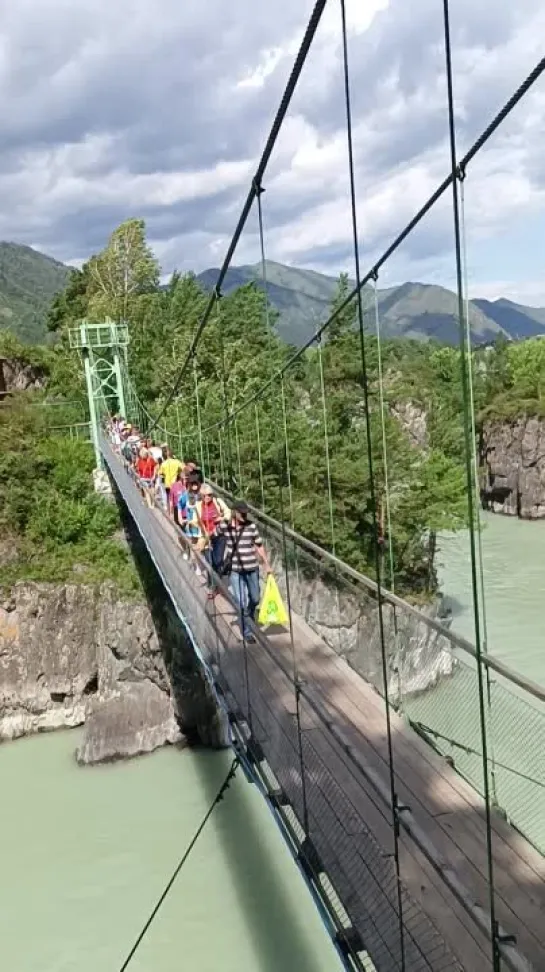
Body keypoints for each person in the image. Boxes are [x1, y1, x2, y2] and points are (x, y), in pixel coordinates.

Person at [217, 500, 272, 643]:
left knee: (255, 599)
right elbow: (214, 534)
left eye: (245, 512)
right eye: (242, 512)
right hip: (236, 571)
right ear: (235, 512)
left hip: (252, 568)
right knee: (240, 602)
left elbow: (259, 545)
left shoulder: (251, 526)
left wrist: (266, 564)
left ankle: (249, 613)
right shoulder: (226, 527)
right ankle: (248, 631)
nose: (244, 514)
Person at [196, 484, 230, 598]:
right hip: (206, 538)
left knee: (217, 560)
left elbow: (228, 513)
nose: (208, 497)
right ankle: (213, 587)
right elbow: (196, 520)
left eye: (210, 495)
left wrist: (222, 518)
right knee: (210, 563)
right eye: (205, 495)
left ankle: (216, 584)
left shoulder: (218, 502)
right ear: (201, 495)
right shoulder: (197, 506)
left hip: (219, 535)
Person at [159, 447, 183, 516]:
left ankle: (170, 514)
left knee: (169, 499)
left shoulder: (163, 464)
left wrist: (164, 476)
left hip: (167, 484)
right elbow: (183, 468)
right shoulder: (177, 462)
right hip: (175, 484)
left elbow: (160, 474)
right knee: (176, 499)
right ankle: (177, 514)